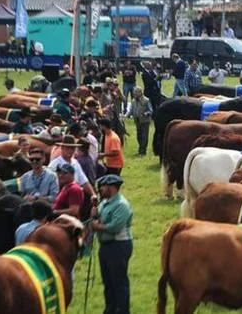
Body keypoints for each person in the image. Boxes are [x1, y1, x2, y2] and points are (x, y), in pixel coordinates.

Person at [90, 174, 133, 314]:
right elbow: (99, 219)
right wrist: (94, 212)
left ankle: (122, 310)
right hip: (106, 247)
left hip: (119, 246)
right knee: (108, 282)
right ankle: (110, 309)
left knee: (119, 282)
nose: (101, 189)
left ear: (112, 187)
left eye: (103, 187)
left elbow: (115, 227)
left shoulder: (121, 205)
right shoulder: (104, 202)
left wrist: (97, 227)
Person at [125, 87, 152, 156]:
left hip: (145, 121)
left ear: (141, 92)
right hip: (137, 121)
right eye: (134, 92)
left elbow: (151, 110)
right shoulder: (133, 101)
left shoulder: (146, 100)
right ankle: (141, 149)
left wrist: (146, 114)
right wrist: (125, 116)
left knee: (144, 136)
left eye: (136, 92)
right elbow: (131, 110)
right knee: (139, 136)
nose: (135, 93)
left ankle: (142, 151)